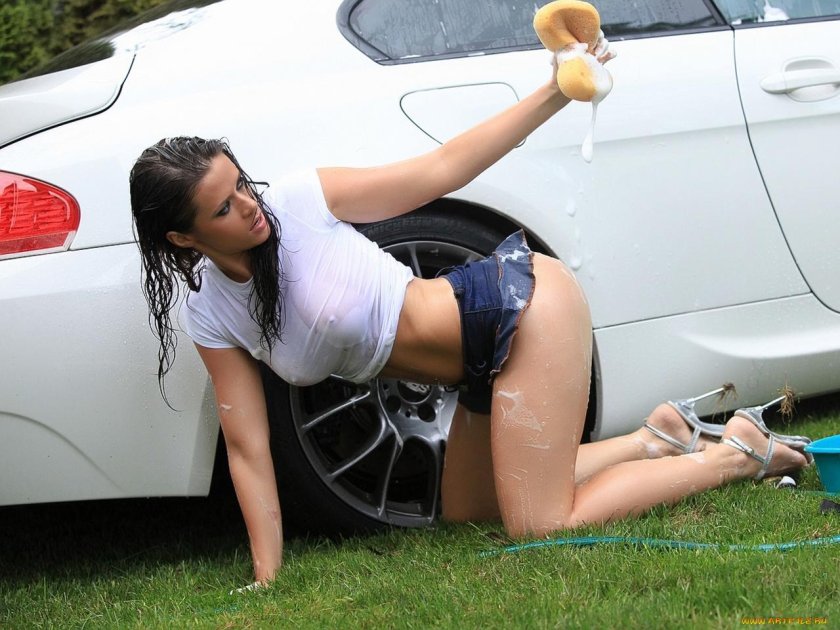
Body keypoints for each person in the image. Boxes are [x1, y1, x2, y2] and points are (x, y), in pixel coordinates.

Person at [129, 47, 810, 589]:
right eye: (223, 208)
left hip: (515, 306)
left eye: (241, 183)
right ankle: (655, 440)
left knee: (538, 524)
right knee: (466, 510)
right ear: (183, 240)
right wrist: (266, 576)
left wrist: (554, 92)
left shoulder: (302, 202)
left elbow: (443, 166)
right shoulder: (211, 314)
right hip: (478, 363)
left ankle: (736, 455)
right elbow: (248, 449)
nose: (249, 204)